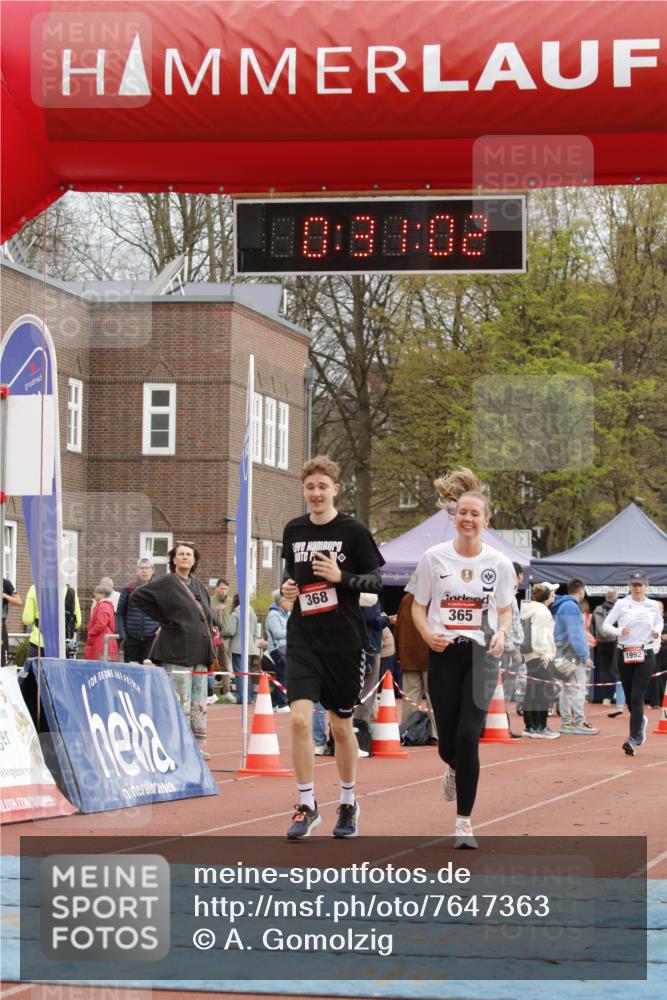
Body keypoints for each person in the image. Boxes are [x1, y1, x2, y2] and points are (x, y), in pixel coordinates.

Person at [407, 467, 515, 849]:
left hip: (482, 654)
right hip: (444, 652)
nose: (468, 519)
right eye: (462, 513)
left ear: (486, 521)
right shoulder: (433, 558)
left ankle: (464, 822)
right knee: (448, 744)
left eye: (475, 514)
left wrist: (502, 633)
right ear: (454, 518)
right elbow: (417, 606)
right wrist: (426, 634)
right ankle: (453, 767)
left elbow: (505, 610)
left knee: (470, 736)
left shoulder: (499, 563)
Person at [281, 455, 384, 840]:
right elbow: (291, 574)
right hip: (303, 637)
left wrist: (342, 577)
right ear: (304, 490)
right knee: (298, 720)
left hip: (344, 642)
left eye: (322, 486)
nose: (316, 493)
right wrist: (288, 587)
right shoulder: (293, 530)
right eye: (310, 487)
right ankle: (306, 805)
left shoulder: (353, 531)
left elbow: (376, 582)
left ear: (335, 489)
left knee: (340, 727)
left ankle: (348, 801)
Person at [130, 540, 216, 760]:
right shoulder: (167, 582)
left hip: (200, 651)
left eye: (189, 554)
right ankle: (177, 745)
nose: (185, 557)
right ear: (174, 560)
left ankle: (195, 746)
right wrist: (165, 618)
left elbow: (207, 615)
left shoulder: (199, 585)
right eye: (181, 554)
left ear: (194, 561)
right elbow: (138, 597)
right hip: (177, 650)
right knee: (180, 700)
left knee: (198, 703)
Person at [602, 571, 663, 755]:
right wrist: (619, 631)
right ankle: (640, 721)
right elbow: (605, 625)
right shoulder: (621, 604)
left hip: (645, 653)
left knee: (637, 697)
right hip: (625, 653)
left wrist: (656, 631)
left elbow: (659, 623)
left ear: (647, 586)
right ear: (629, 586)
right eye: (634, 585)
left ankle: (633, 738)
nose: (637, 588)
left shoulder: (652, 605)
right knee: (629, 698)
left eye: (640, 585)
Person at [553, 578, 598, 735]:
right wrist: (584, 656)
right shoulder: (571, 607)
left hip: (561, 651)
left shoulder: (563, 605)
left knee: (567, 688)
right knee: (578, 687)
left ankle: (567, 722)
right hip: (571, 653)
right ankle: (579, 722)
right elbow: (576, 634)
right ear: (581, 591)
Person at [520, 583, 560, 739]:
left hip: (531, 655)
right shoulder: (542, 611)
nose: (554, 596)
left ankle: (531, 726)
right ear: (547, 596)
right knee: (544, 691)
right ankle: (540, 727)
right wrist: (546, 654)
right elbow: (539, 636)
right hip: (540, 655)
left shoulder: (531, 609)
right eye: (553, 593)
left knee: (532, 691)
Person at [394, 591, 434, 730]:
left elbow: (398, 626)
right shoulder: (436, 597)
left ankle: (407, 730)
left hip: (408, 654)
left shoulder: (406, 599)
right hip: (432, 653)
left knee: (410, 697)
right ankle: (435, 732)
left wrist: (399, 654)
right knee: (435, 697)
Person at [116, 559, 160, 664]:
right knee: (131, 671)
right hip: (131, 639)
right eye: (141, 568)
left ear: (152, 571)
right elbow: (120, 613)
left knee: (149, 670)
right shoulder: (128, 588)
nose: (144, 571)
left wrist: (161, 628)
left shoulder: (159, 588)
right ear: (137, 571)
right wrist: (123, 635)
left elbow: (167, 611)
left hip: (152, 639)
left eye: (147, 568)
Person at [22, 583, 81, 659]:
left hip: (38, 643)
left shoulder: (34, 588)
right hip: (61, 645)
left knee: (35, 666)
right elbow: (78, 623)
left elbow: (27, 620)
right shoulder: (70, 592)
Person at [590, 590, 619, 705]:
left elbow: (591, 627)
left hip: (601, 643)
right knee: (617, 668)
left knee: (604, 670)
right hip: (614, 641)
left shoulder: (597, 610)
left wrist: (595, 637)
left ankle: (606, 697)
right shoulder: (617, 609)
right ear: (616, 598)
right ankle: (617, 694)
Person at [265, 589, 291, 712]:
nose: (290, 603)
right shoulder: (273, 615)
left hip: (287, 648)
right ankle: (281, 703)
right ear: (281, 602)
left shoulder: (287, 614)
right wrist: (293, 630)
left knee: (283, 674)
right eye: (287, 600)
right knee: (283, 674)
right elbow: (277, 633)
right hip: (277, 649)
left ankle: (274, 702)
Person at [210, 578, 234, 702]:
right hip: (213, 637)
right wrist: (215, 610)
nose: (223, 591)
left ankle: (227, 691)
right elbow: (206, 615)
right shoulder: (210, 600)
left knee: (225, 664)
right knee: (211, 663)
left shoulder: (231, 602)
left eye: (225, 589)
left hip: (225, 637)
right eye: (221, 588)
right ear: (216, 588)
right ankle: (209, 692)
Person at [85, 584, 119, 661]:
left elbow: (101, 624)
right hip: (102, 638)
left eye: (96, 592)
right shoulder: (105, 605)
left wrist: (91, 632)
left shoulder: (103, 606)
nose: (94, 594)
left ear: (103, 594)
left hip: (101, 640)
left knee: (100, 663)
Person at [2, 577, 21, 666]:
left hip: (1, 625)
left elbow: (19, 601)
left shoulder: (5, 583)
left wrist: (5, 596)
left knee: (2, 656)